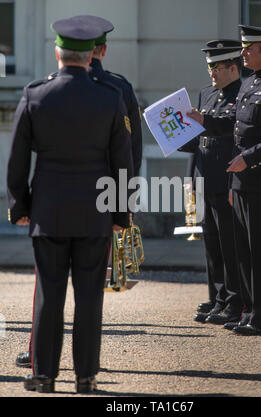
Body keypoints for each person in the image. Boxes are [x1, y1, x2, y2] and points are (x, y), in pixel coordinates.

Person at [7, 15, 133, 393]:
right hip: (95, 212)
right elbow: (122, 162)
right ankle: (85, 377)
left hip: (48, 210)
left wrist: (20, 205)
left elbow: (17, 161)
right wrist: (120, 213)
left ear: (58, 53)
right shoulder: (110, 96)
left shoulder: (35, 94)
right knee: (90, 297)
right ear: (90, 55)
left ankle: (44, 375)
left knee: (49, 294)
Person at [187, 25, 261, 335]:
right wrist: (204, 120)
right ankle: (248, 311)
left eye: (250, 48)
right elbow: (233, 124)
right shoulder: (250, 83)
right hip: (242, 181)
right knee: (245, 253)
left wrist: (248, 159)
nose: (244, 52)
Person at [180, 40, 243, 325]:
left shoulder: (242, 93)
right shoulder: (206, 93)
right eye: (209, 68)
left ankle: (233, 300)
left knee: (230, 244)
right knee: (212, 245)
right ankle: (217, 296)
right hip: (205, 177)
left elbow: (232, 134)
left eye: (216, 68)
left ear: (233, 67)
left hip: (227, 179)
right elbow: (197, 141)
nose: (211, 74)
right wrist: (190, 177)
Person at [88, 20, 143, 177]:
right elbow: (134, 147)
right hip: (110, 187)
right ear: (104, 50)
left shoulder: (59, 86)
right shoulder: (122, 88)